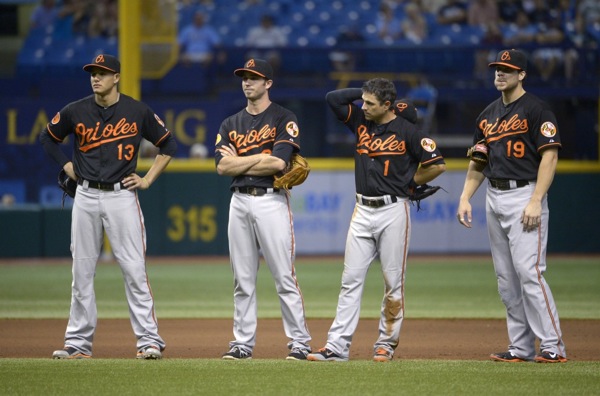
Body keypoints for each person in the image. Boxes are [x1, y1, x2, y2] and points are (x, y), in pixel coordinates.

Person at [40, 54, 177, 360]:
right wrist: (66, 164)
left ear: (116, 77)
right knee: (82, 271)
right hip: (86, 196)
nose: (96, 77)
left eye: (102, 73)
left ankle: (149, 340)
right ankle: (77, 343)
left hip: (121, 196)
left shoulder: (137, 110)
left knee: (133, 269)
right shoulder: (75, 110)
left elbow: (168, 145)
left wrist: (148, 179)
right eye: (93, 72)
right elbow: (47, 138)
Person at [307, 78, 446, 362]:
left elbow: (437, 165)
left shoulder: (409, 132)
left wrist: (410, 181)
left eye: (371, 103)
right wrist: (365, 92)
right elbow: (333, 98)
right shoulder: (361, 121)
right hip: (362, 210)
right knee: (350, 280)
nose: (363, 106)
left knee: (392, 282)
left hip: (393, 210)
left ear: (387, 105)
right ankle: (337, 346)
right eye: (363, 102)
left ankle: (385, 343)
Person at [457, 49, 567, 363]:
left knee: (529, 272)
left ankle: (553, 346)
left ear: (522, 75)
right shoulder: (486, 115)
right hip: (494, 195)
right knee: (506, 278)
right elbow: (479, 160)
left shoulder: (537, 109)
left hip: (525, 194)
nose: (500, 73)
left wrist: (536, 200)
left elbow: (550, 155)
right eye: (497, 69)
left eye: (507, 69)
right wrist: (466, 196)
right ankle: (520, 347)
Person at [214, 58, 312, 361]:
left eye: (254, 78)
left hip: (272, 200)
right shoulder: (230, 123)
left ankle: (300, 342)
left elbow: (279, 163)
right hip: (239, 201)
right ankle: (242, 343)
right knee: (242, 279)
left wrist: (241, 159)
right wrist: (261, 156)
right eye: (244, 77)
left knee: (284, 275)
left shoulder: (284, 117)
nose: (247, 82)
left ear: (268, 83)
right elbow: (221, 166)